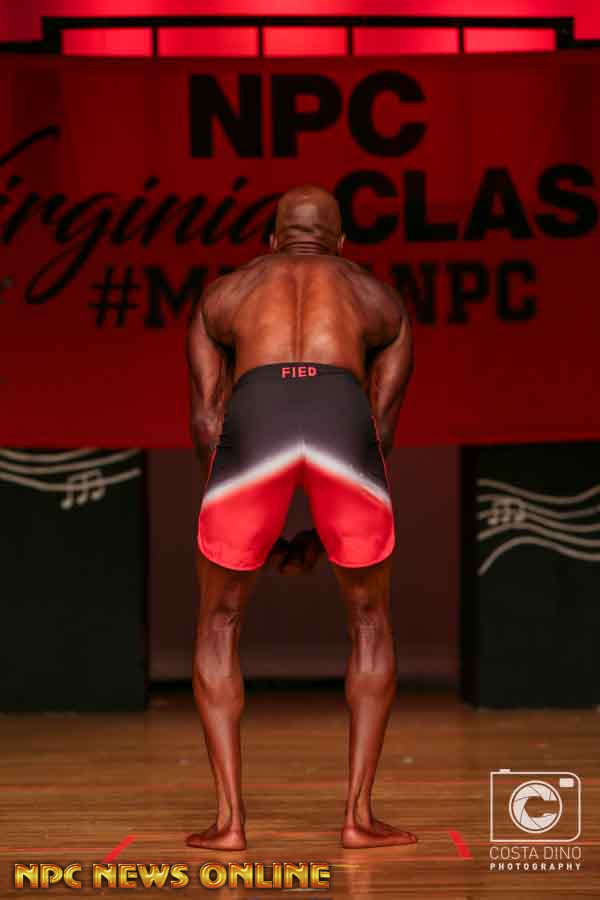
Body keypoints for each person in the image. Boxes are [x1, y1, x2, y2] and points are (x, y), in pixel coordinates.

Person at [185, 185, 414, 850]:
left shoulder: (225, 294)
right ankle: (358, 818)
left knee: (219, 621)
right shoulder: (378, 298)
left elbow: (206, 418)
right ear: (342, 243)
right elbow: (380, 430)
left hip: (255, 421)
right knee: (369, 620)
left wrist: (242, 517)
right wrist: (325, 533)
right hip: (343, 420)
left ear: (270, 239)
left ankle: (229, 824)